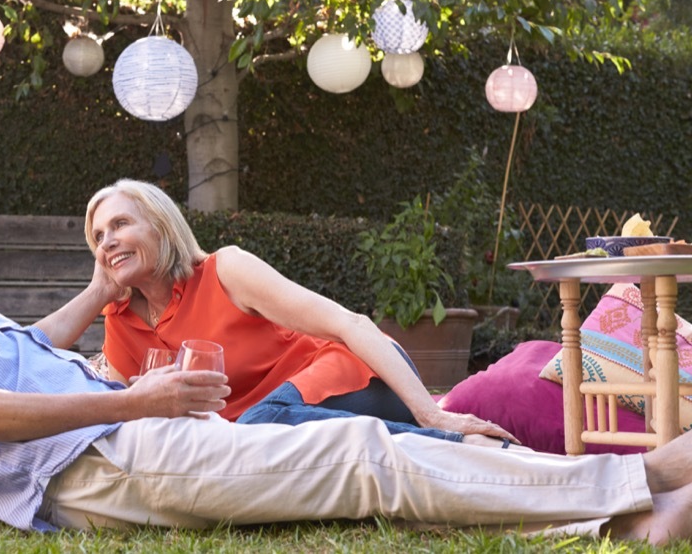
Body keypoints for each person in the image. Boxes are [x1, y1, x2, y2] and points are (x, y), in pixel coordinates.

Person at [0, 150, 692, 543]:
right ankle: (638, 488)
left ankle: (623, 499)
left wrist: (103, 320)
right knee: (363, 462)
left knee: (362, 451)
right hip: (96, 459)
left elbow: (21, 350)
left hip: (133, 436)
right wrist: (132, 400)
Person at [84, 179, 508, 444]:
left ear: (160, 226)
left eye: (120, 225)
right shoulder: (120, 323)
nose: (107, 242)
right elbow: (128, 415)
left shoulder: (224, 270)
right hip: (265, 431)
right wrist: (96, 293)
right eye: (99, 235)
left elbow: (350, 324)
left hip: (361, 372)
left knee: (261, 419)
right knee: (253, 428)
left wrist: (432, 413)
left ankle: (447, 442)